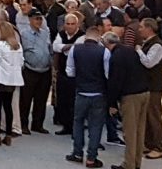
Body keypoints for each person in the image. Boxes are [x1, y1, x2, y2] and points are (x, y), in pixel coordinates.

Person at [102, 31, 149, 169]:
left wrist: (112, 104)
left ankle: (129, 164)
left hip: (131, 96)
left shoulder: (116, 57)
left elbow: (115, 82)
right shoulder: (129, 50)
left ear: (107, 43)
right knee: (140, 131)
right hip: (144, 93)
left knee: (130, 132)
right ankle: (136, 163)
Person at [66, 27, 110, 168]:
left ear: (86, 37)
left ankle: (77, 153)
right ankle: (92, 158)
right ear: (99, 38)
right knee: (96, 126)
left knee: (78, 122)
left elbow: (70, 72)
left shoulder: (75, 49)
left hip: (81, 92)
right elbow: (108, 74)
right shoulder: (104, 52)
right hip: (98, 93)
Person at [18, 7, 52, 134]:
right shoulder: (24, 34)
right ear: (30, 19)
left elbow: (49, 48)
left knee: (41, 99)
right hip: (30, 70)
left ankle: (38, 124)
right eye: (36, 18)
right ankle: (23, 124)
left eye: (40, 18)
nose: (38, 21)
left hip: (45, 70)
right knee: (26, 100)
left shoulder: (45, 32)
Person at [136, 17, 162, 161]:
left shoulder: (157, 45)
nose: (139, 29)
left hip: (154, 86)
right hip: (146, 86)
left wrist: (139, 51)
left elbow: (149, 63)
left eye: (141, 27)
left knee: (154, 116)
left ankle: (158, 147)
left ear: (149, 28)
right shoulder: (147, 43)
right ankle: (148, 144)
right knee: (146, 116)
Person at [0, 21, 24, 146]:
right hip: (13, 79)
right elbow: (21, 62)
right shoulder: (18, 45)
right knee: (8, 106)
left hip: (1, 78)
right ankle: (9, 134)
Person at [53, 13, 85, 135]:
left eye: (73, 24)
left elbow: (76, 49)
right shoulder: (61, 34)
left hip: (76, 75)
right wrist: (68, 46)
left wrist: (64, 48)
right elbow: (55, 47)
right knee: (63, 101)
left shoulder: (82, 36)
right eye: (68, 24)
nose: (70, 26)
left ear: (77, 24)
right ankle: (66, 126)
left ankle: (75, 127)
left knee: (74, 102)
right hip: (62, 73)